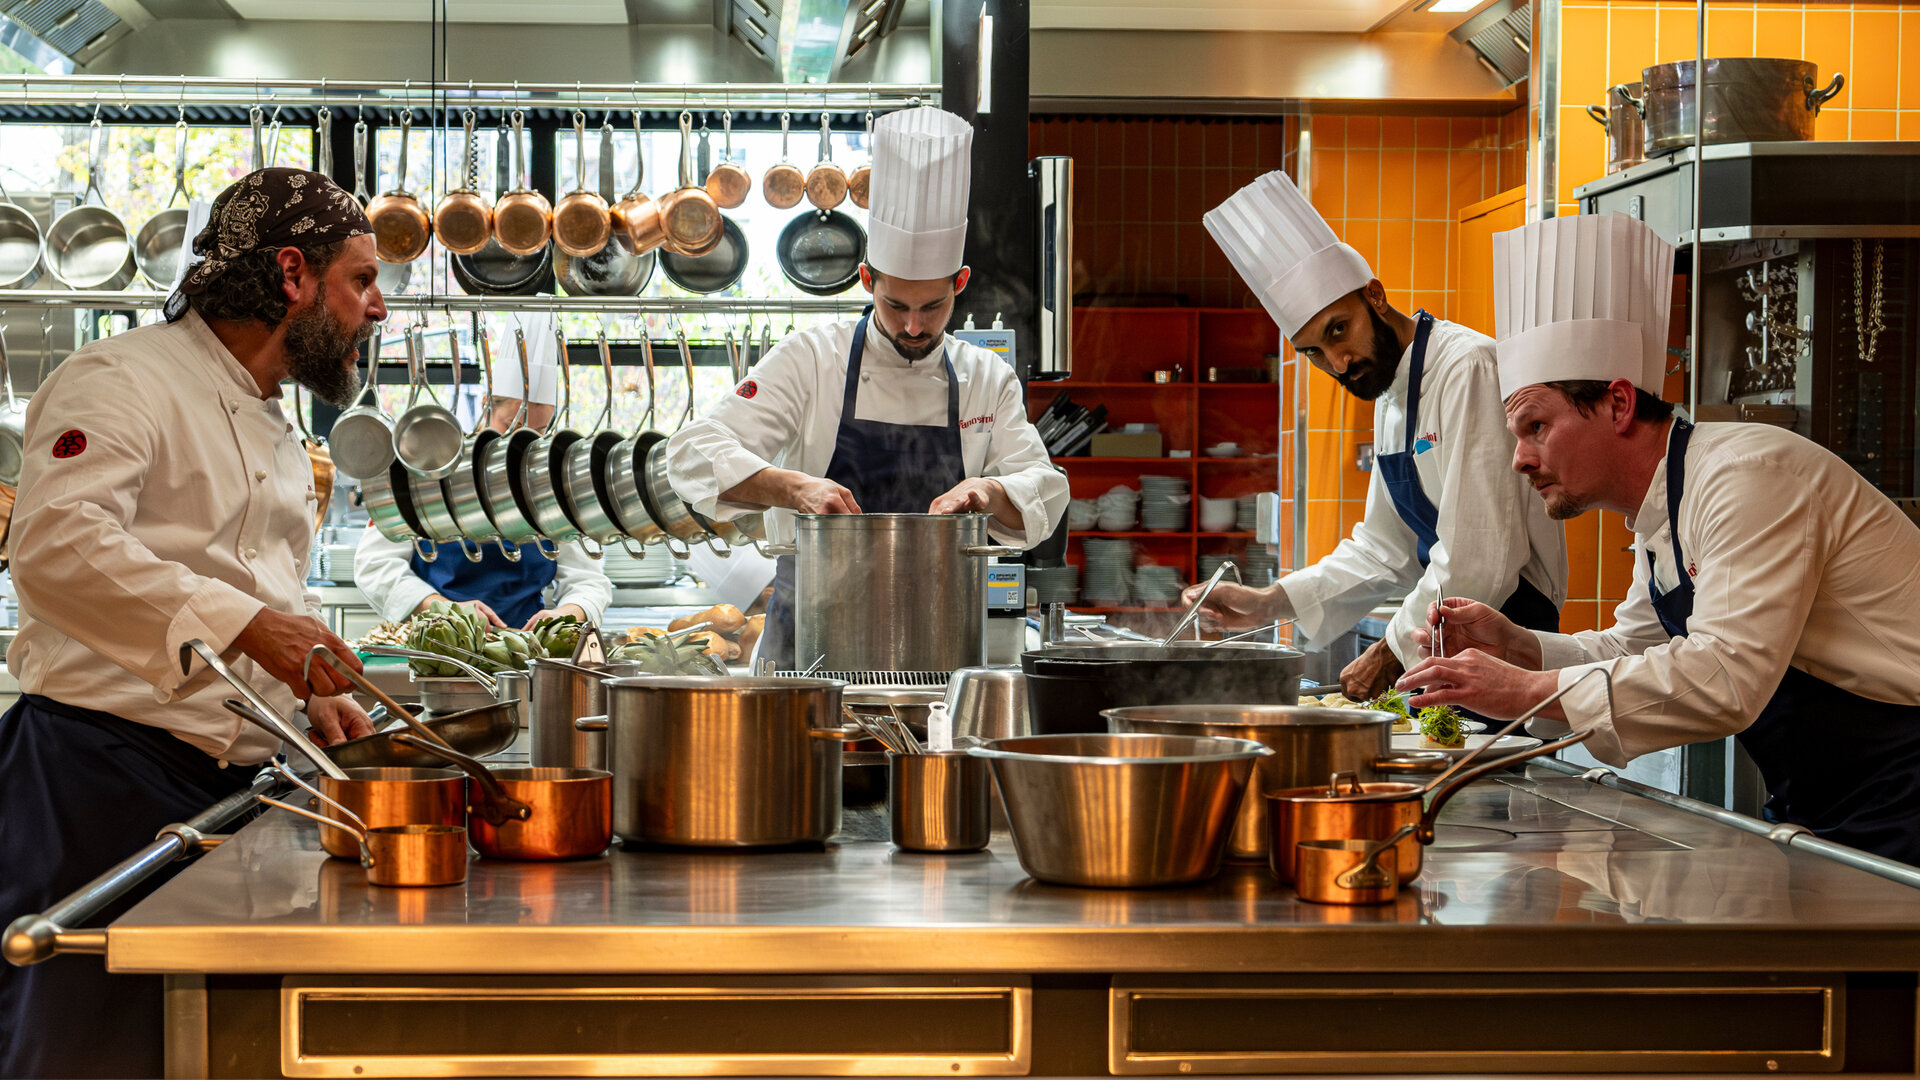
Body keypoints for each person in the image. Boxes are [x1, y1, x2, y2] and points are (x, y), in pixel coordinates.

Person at [0, 167, 383, 1077]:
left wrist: (303, 693)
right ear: (292, 274)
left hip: (225, 786)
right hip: (92, 778)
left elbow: (254, 580)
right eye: (362, 280)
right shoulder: (119, 378)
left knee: (191, 1049)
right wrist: (250, 629)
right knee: (79, 1049)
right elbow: (56, 543)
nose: (378, 308)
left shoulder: (276, 422)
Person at [1397, 211, 1920, 866]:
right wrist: (1521, 648)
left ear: (1618, 404)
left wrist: (1526, 692)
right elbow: (1633, 646)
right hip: (1829, 802)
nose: (1520, 459)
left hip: (1905, 787)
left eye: (1536, 427)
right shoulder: (1662, 506)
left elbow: (1726, 676)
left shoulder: (1747, 477)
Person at [665, 107, 1068, 667]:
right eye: (895, 305)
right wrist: (793, 488)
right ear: (866, 279)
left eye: (933, 307)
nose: (913, 327)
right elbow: (689, 454)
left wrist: (987, 492)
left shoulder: (986, 379)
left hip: (938, 645)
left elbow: (1043, 490)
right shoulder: (812, 359)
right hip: (807, 646)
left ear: (960, 283)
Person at [1182, 171, 1566, 699]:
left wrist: (1390, 650)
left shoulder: (1466, 368)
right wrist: (1269, 602)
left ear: (1376, 296)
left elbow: (1481, 557)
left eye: (1339, 330)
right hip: (1446, 648)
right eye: (1315, 352)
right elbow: (1385, 550)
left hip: (1507, 643)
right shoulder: (1390, 391)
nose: (1338, 363)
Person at [353, 316, 611, 631]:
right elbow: (374, 566)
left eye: (540, 429)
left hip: (525, 647)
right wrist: (444, 609)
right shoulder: (432, 467)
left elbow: (589, 580)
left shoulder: (554, 485)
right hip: (438, 640)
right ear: (487, 404)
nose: (525, 442)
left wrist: (567, 613)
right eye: (513, 425)